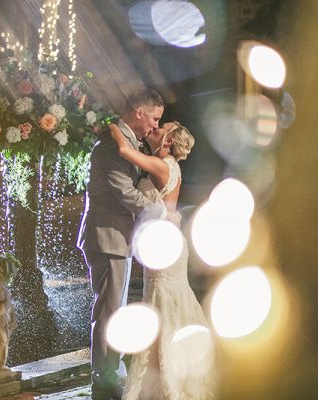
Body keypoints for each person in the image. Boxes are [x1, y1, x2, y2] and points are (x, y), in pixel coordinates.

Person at [109, 122, 218, 400]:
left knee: (163, 304)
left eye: (161, 128)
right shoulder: (166, 165)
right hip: (163, 242)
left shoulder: (164, 165)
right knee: (167, 301)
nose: (155, 128)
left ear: (167, 141)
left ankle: (169, 377)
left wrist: (111, 122)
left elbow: (123, 148)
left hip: (164, 245)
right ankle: (168, 370)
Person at [77, 88, 170, 400]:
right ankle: (104, 377)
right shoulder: (109, 145)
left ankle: (109, 371)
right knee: (109, 311)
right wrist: (157, 205)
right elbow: (125, 193)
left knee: (113, 307)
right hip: (107, 236)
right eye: (154, 118)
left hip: (117, 236)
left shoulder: (127, 142)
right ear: (139, 112)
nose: (155, 126)